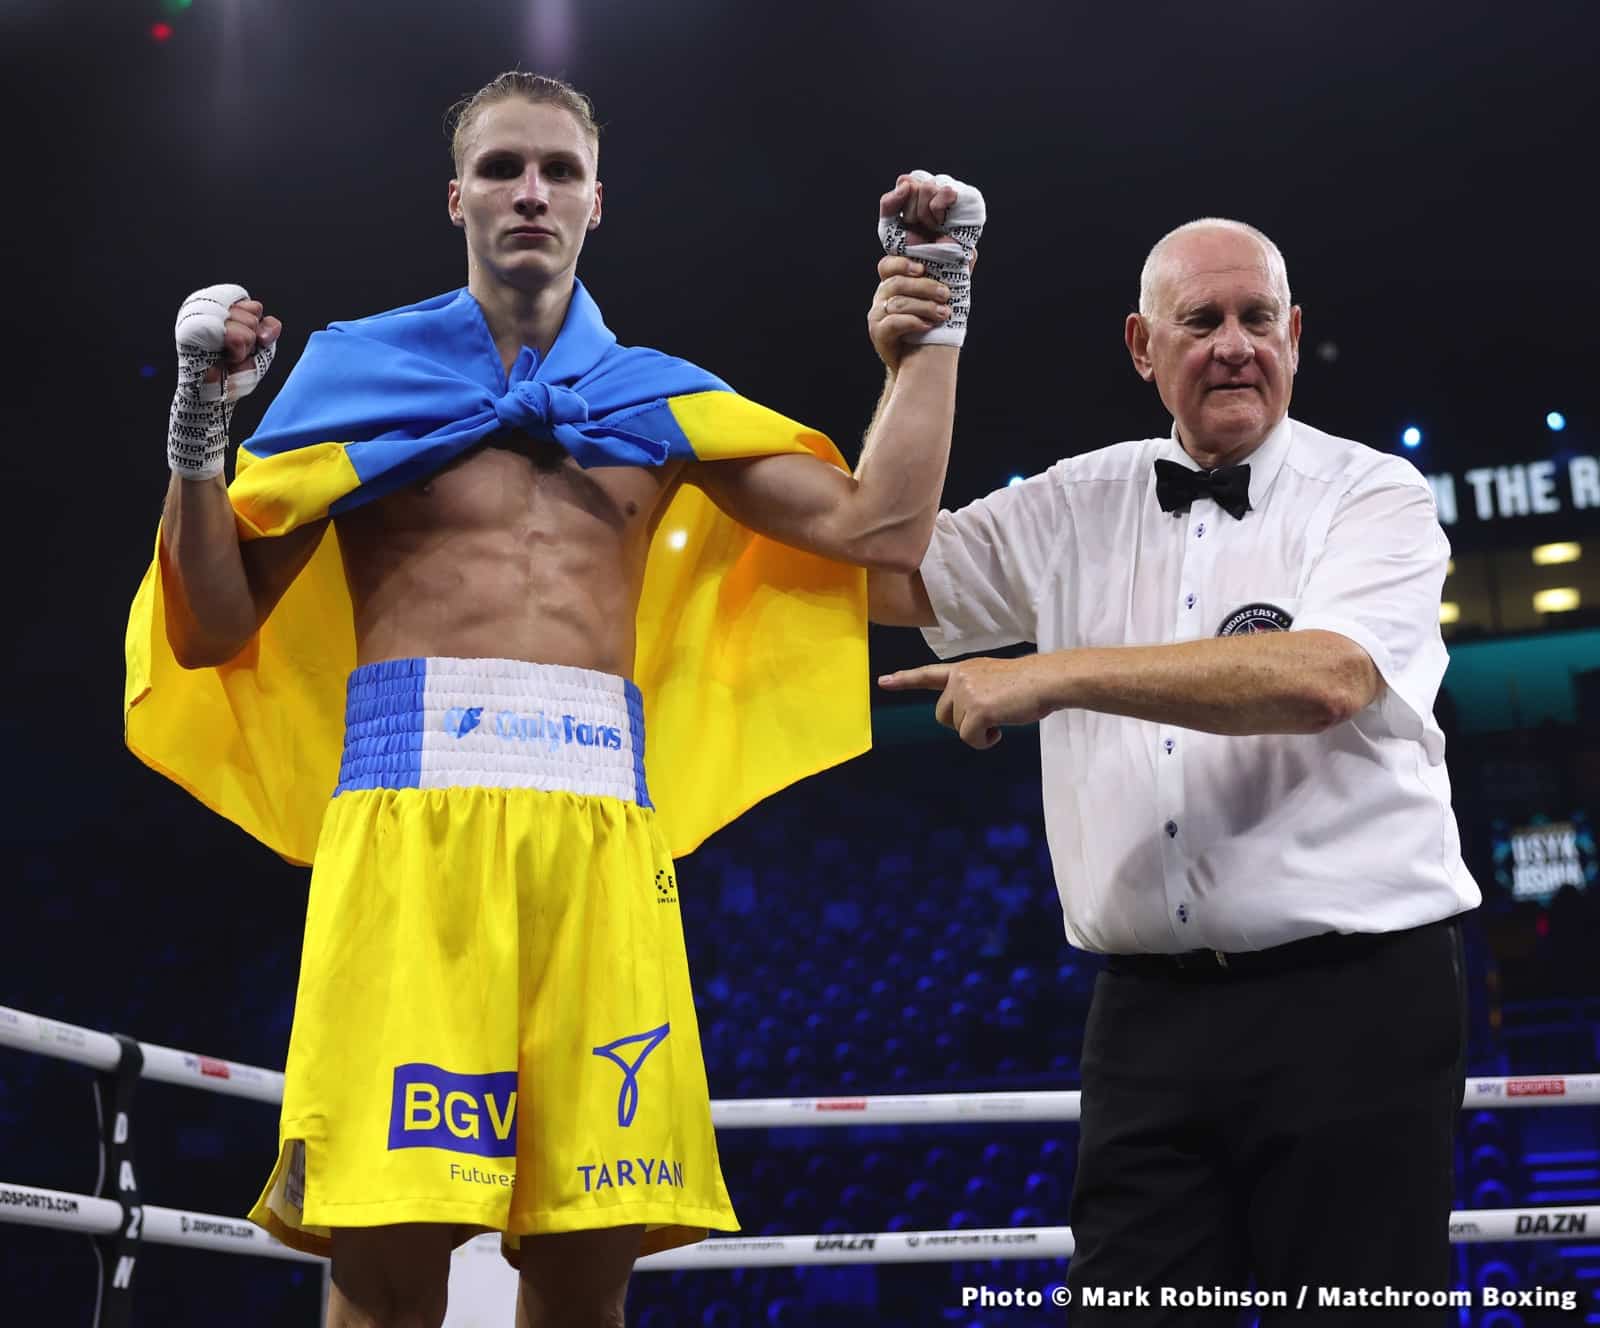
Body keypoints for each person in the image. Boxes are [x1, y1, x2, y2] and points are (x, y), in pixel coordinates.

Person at [126, 71, 982, 1327]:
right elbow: (210, 626)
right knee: (383, 1255)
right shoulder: (357, 377)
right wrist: (202, 431)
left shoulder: (661, 402)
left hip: (598, 840)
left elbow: (881, 527)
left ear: (597, 201)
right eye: (504, 168)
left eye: (559, 171)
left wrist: (935, 328)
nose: (531, 191)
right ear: (457, 196)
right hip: (407, 836)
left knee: (588, 1266)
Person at [875, 218, 1478, 1321]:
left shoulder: (1370, 491)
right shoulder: (1071, 503)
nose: (1235, 344)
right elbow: (879, 568)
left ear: (1295, 334)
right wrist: (928, 349)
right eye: (1201, 321)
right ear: (1142, 347)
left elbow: (1325, 678)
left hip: (1357, 1002)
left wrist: (1049, 672)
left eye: (1258, 319)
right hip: (1146, 1015)